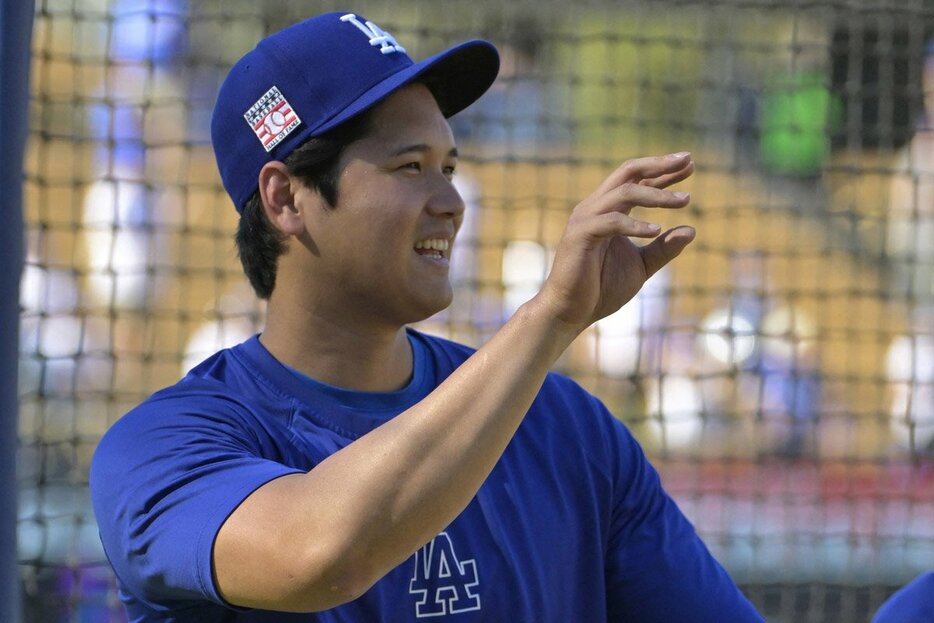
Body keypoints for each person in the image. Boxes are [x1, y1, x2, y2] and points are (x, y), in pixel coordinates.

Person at [90, 11, 764, 622]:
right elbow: (320, 554)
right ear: (285, 199)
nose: (451, 201)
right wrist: (550, 318)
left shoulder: (571, 430)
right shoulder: (159, 447)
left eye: (448, 164)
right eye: (410, 166)